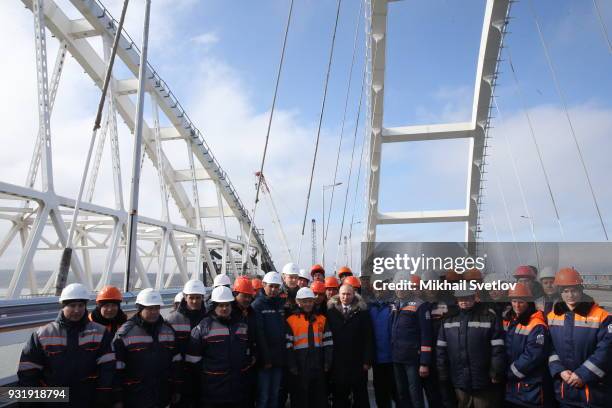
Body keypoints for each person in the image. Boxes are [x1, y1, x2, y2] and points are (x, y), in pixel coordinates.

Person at [18, 283, 115, 407]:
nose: (77, 310)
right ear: (63, 306)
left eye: (81, 305)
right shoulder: (43, 334)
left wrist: (104, 393)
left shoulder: (100, 332)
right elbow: (28, 371)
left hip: (87, 397)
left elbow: (108, 367)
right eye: (72, 305)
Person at [547, 268, 611, 408]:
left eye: (574, 290)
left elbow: (606, 351)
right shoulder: (552, 316)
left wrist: (583, 375)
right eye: (565, 291)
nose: (570, 295)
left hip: (594, 393)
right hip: (565, 391)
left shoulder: (602, 316)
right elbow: (550, 348)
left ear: (581, 290)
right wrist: (559, 370)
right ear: (560, 293)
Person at [185, 286, 255, 407]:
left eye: (227, 305)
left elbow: (247, 351)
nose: (224, 308)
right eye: (220, 305)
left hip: (238, 389)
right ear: (214, 306)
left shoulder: (242, 325)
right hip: (212, 392)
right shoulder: (202, 328)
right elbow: (193, 362)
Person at [437, 288, 506, 408]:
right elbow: (441, 349)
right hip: (458, 378)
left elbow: (498, 348)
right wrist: (442, 372)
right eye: (461, 298)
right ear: (457, 300)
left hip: (483, 378)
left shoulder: (488, 317)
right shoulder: (448, 319)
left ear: (474, 298)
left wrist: (496, 371)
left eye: (468, 298)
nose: (464, 301)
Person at [113, 288, 182, 407]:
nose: (155, 312)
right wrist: (117, 399)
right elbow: (116, 369)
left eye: (157, 308)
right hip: (135, 398)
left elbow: (176, 363)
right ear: (140, 309)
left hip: (162, 396)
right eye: (150, 308)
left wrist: (177, 389)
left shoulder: (168, 331)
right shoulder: (125, 333)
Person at [503, 282, 551, 408]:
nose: (517, 305)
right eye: (514, 301)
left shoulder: (537, 325)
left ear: (529, 303)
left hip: (529, 388)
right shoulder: (511, 320)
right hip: (512, 388)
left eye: (521, 302)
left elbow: (533, 356)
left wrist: (509, 373)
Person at [326, 283, 373, 407]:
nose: (345, 297)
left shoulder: (362, 313)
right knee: (339, 395)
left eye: (348, 294)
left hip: (358, 362)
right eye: (343, 294)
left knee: (360, 395)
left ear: (353, 295)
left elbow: (368, 337)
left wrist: (367, 360)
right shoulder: (331, 312)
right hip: (338, 362)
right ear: (339, 295)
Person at [285, 287, 333, 408]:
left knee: (319, 398)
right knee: (300, 399)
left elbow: (328, 342)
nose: (308, 304)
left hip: (318, 365)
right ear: (298, 302)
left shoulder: (322, 319)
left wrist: (327, 361)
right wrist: (292, 365)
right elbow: (288, 346)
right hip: (300, 367)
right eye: (304, 301)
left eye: (310, 301)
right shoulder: (291, 320)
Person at [391, 273, 433, 408]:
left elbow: (426, 335)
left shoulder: (420, 305)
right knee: (402, 394)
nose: (400, 289)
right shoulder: (395, 304)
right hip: (397, 358)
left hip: (413, 360)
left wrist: (424, 362)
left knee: (415, 396)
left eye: (403, 286)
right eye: (398, 286)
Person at [421, 271, 457, 408]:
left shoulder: (448, 305)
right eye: (427, 285)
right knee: (432, 395)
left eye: (433, 285)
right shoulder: (421, 305)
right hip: (428, 359)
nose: (430, 288)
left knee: (447, 396)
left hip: (446, 358)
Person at [251, 271, 286, 408]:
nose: (273, 290)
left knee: (274, 394)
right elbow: (259, 335)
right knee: (264, 396)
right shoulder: (257, 306)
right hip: (265, 360)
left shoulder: (281, 304)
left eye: (276, 287)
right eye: (271, 286)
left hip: (278, 358)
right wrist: (266, 359)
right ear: (263, 285)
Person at [368, 280, 397, 408]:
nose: (379, 290)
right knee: (380, 393)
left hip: (393, 358)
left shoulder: (394, 306)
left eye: (382, 287)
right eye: (377, 287)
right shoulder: (369, 308)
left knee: (397, 393)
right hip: (377, 359)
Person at [232, 275, 258, 407]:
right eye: (245, 296)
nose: (248, 299)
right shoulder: (229, 314)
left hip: (248, 363)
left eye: (250, 296)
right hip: (233, 365)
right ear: (236, 294)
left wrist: (254, 353)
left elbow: (254, 336)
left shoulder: (251, 313)